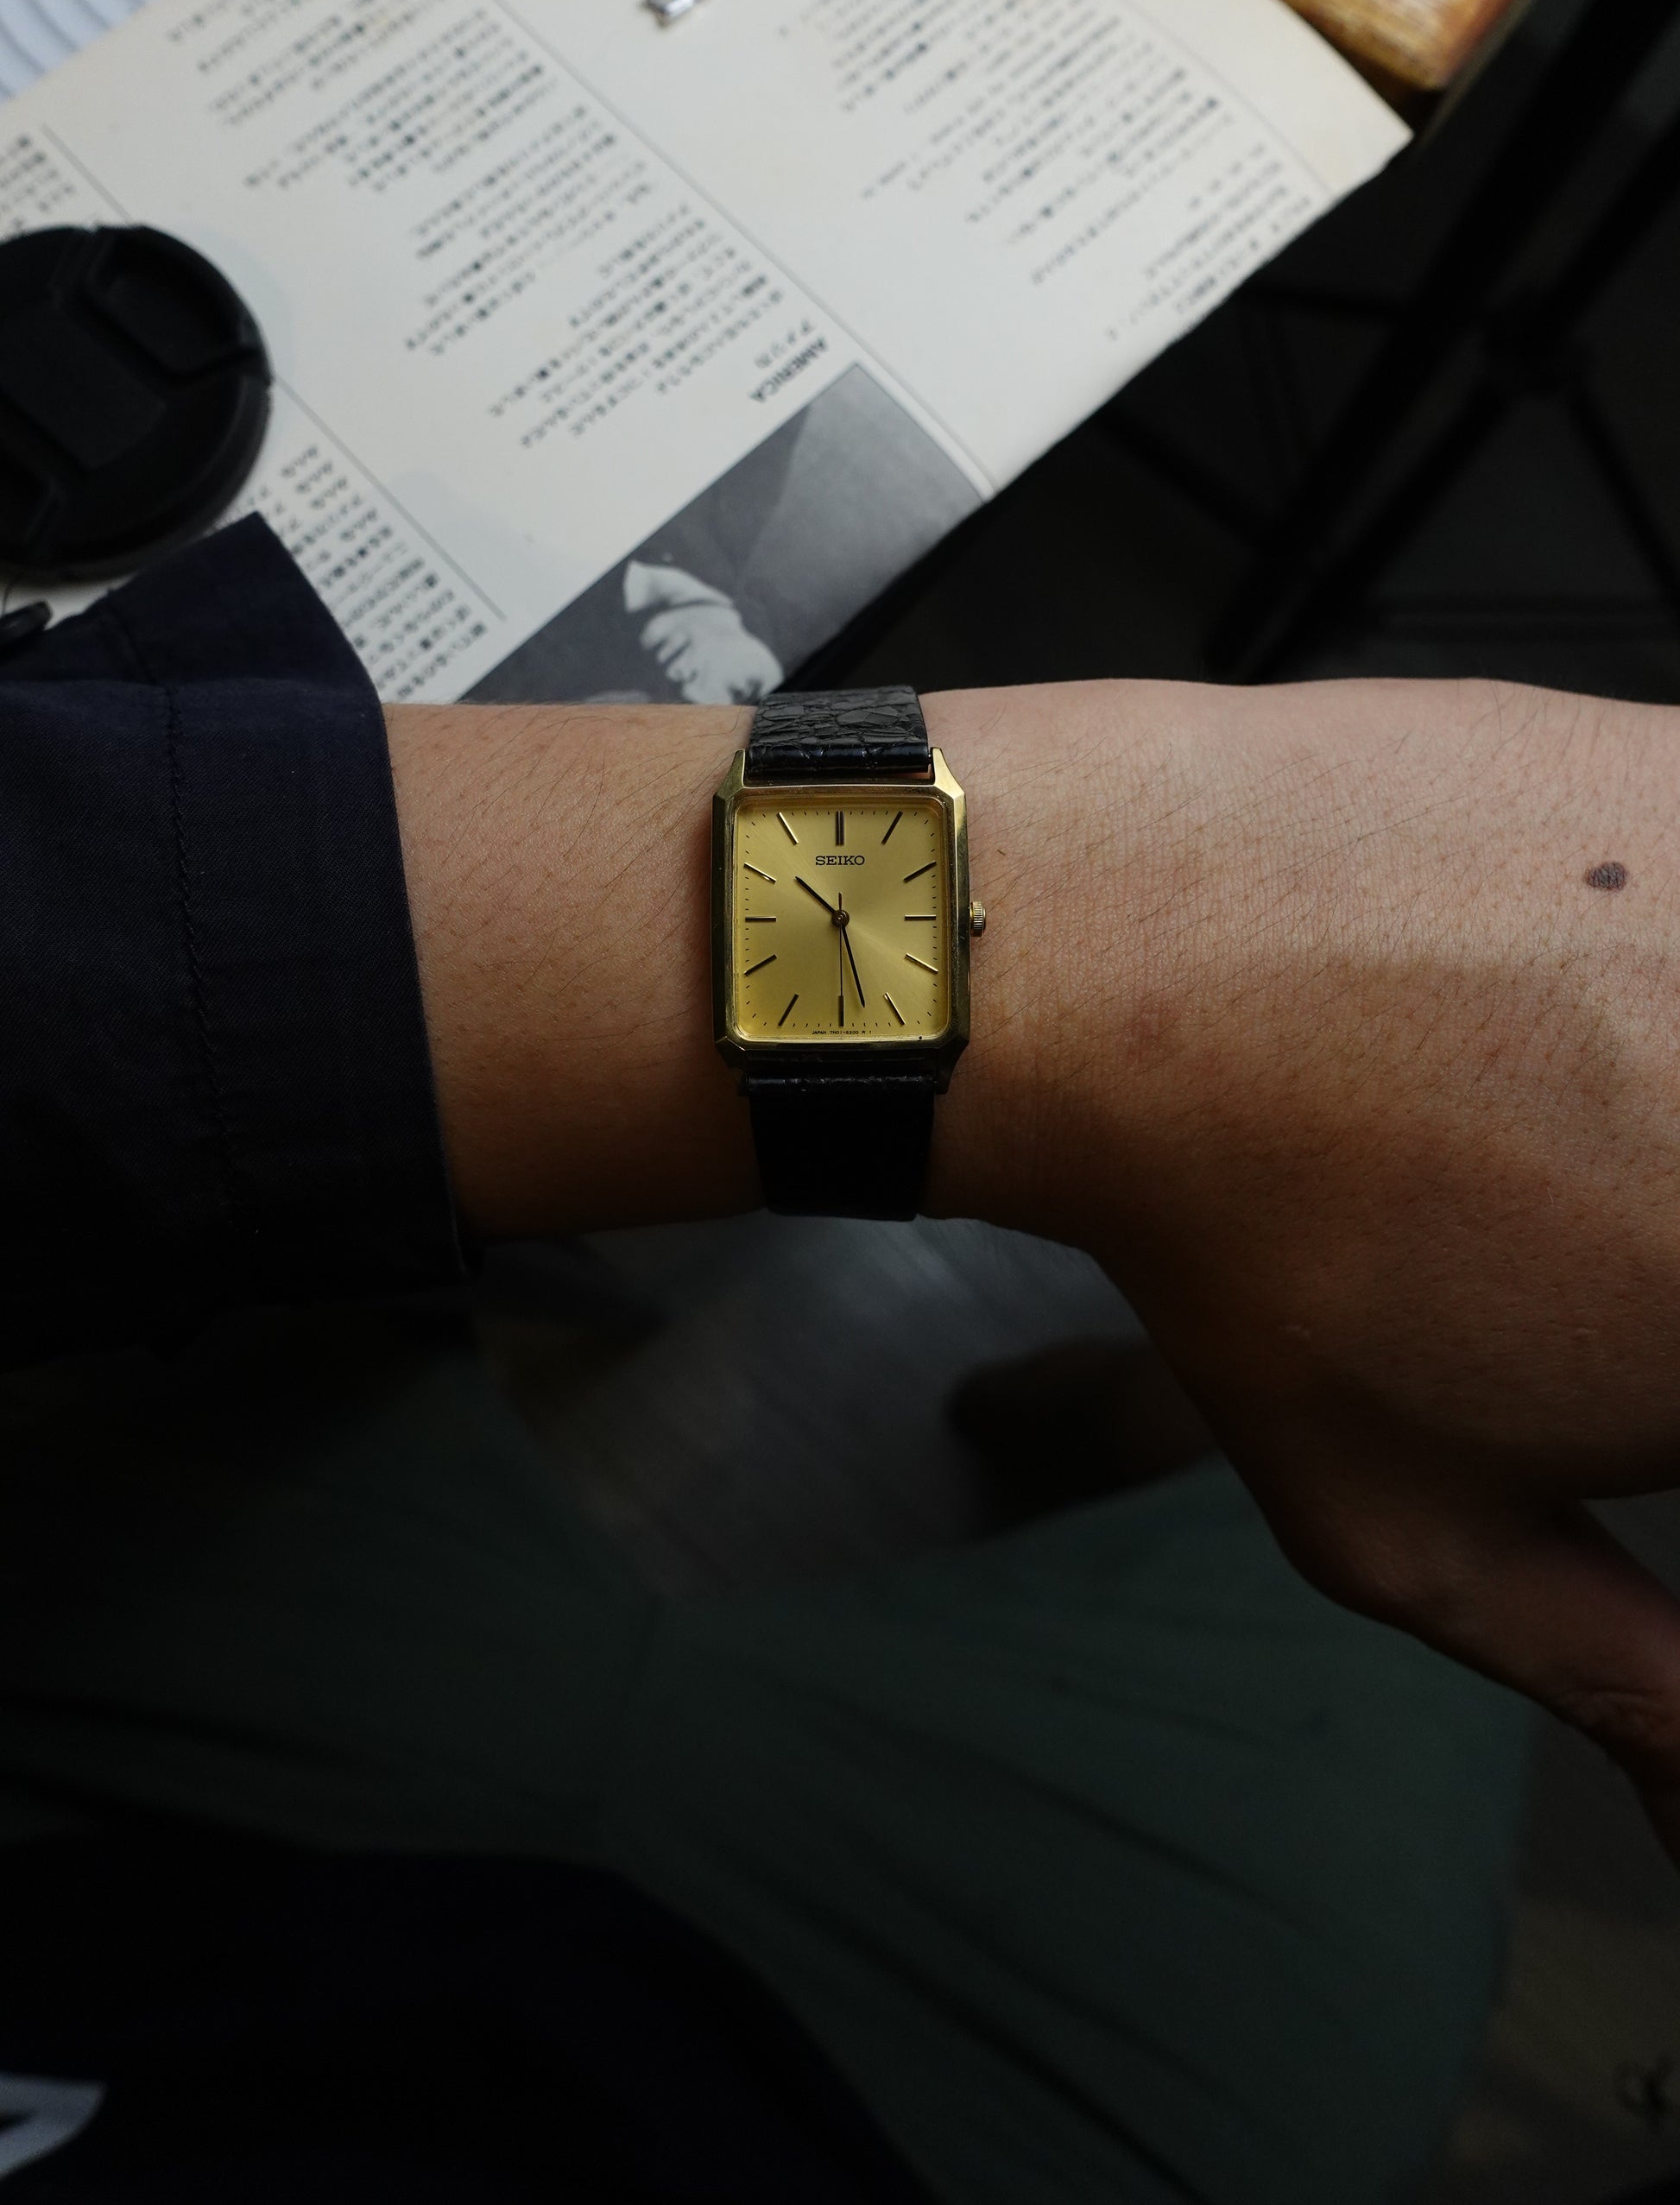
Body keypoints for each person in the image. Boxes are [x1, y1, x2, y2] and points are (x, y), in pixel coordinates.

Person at [1, 513, 1677, 2200]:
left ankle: (1089, 1410)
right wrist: (1115, 904)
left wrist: (1125, 887)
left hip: (229, 1942)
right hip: (943, 2078)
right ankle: (1078, 1418)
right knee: (1378, 1572)